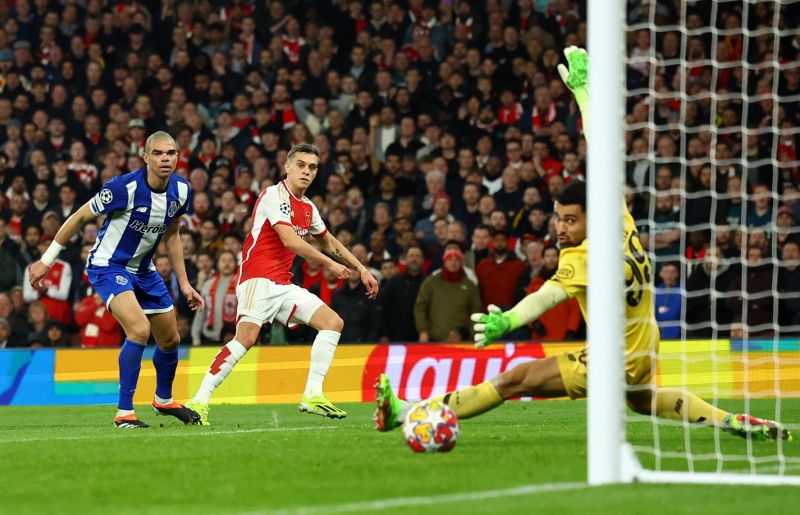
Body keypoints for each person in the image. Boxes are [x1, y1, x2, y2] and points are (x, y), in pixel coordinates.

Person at [374, 47, 790, 442]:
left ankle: (407, 411)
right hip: (643, 345)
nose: (560, 228)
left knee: (513, 379)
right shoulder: (619, 215)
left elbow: (548, 296)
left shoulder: (586, 254)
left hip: (612, 359)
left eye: (570, 220)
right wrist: (584, 93)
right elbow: (601, 147)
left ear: (589, 217)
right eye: (558, 218)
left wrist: (508, 323)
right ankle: (731, 419)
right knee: (644, 400)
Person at [187, 144, 379, 424]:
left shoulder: (308, 208)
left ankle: (313, 394)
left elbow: (330, 242)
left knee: (332, 322)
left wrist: (361, 268)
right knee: (246, 339)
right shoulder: (272, 194)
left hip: (282, 284)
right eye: (300, 165)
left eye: (312, 167)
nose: (306, 171)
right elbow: (290, 240)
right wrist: (331, 264)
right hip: (257, 279)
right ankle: (199, 400)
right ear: (287, 167)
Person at [29, 131, 205, 428]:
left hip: (144, 270)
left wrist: (185, 284)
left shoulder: (182, 191)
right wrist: (47, 260)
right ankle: (124, 412)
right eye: (159, 153)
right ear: (145, 156)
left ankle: (163, 399)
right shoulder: (124, 187)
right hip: (108, 265)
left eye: (171, 153)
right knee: (138, 329)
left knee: (170, 338)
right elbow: (79, 217)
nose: (165, 158)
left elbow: (173, 235)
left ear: (178, 157)